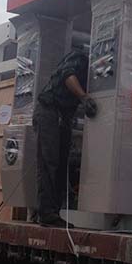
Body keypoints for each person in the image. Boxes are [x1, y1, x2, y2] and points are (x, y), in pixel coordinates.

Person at [35, 50, 97, 227]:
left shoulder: (95, 76)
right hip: (50, 110)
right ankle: (46, 213)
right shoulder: (80, 58)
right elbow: (67, 75)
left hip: (64, 117)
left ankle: (52, 211)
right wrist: (83, 97)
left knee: (62, 163)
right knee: (50, 161)